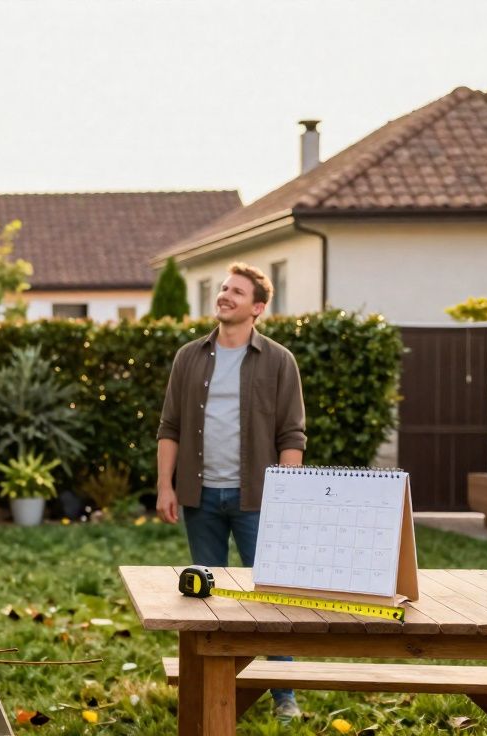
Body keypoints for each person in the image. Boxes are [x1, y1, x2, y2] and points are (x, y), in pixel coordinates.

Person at [155, 262, 307, 721]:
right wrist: (165, 484)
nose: (224, 296)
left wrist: (285, 497)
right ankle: (210, 689)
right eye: (223, 288)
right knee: (204, 596)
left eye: (236, 292)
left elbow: (292, 436)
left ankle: (284, 695)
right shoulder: (190, 356)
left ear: (257, 307)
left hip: (257, 499)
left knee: (273, 598)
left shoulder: (278, 361)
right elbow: (170, 426)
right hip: (200, 497)